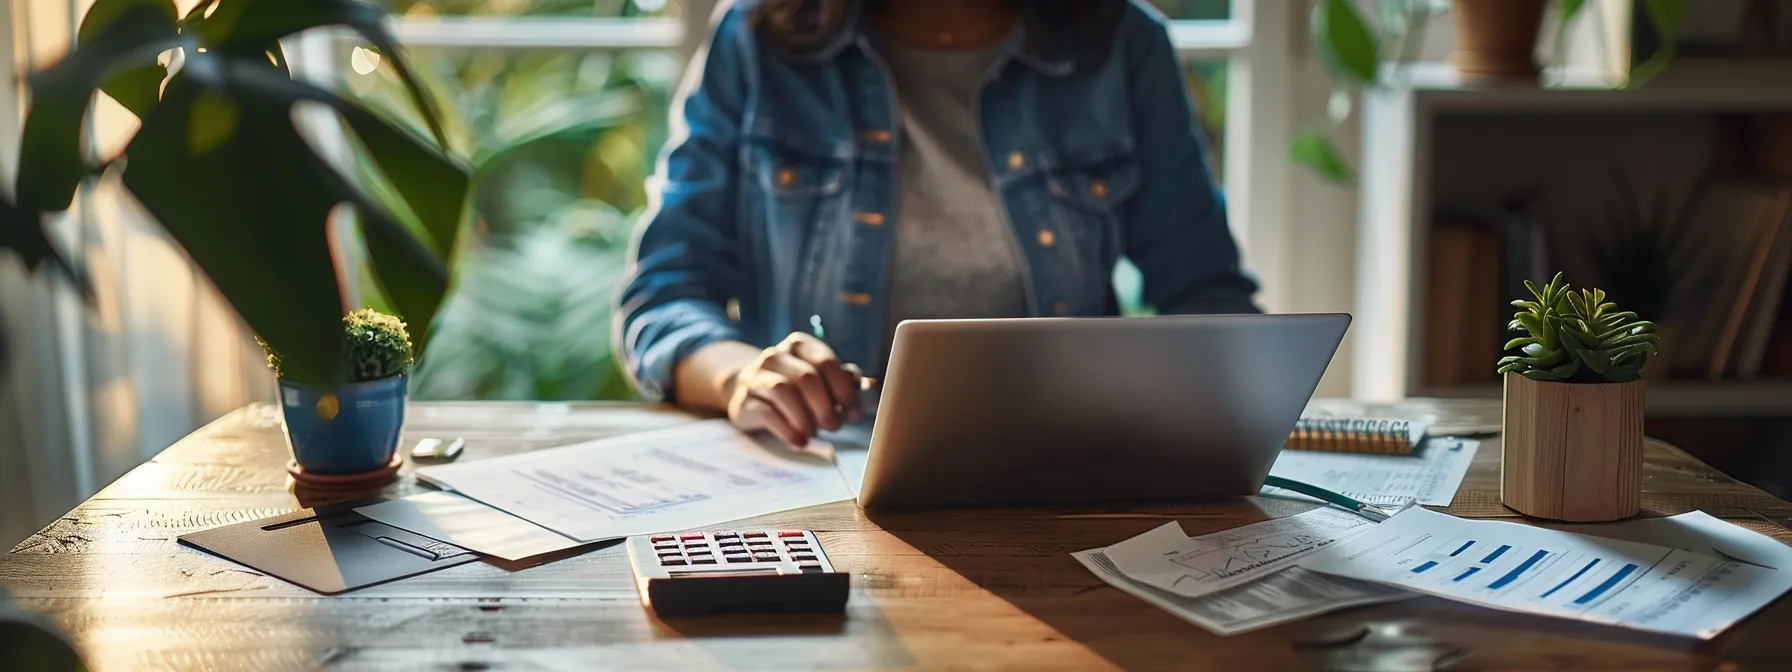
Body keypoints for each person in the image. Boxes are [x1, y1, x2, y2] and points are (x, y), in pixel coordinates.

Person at [616, 0, 1260, 448]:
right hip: (820, 468)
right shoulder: (756, 40)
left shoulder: (1121, 42)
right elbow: (664, 295)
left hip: (1065, 475)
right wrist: (742, 377)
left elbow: (1208, 295)